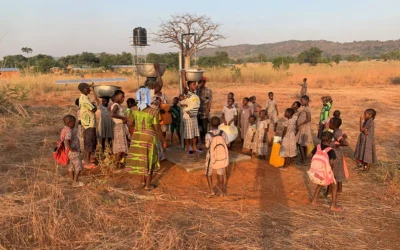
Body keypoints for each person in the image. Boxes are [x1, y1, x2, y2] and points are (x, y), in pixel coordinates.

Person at [126, 87, 167, 190]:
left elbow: (130, 123)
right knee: (149, 160)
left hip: (137, 137)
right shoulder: (154, 112)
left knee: (141, 159)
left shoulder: (133, 110)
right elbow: (157, 129)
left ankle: (141, 182)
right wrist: (163, 140)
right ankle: (148, 185)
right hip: (149, 138)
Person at [311, 131, 343, 212]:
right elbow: (331, 163)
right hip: (327, 171)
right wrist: (331, 171)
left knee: (320, 184)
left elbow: (312, 156)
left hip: (318, 171)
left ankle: (314, 200)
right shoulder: (330, 150)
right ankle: (333, 206)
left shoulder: (317, 147)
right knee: (334, 186)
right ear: (330, 140)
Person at [205, 116, 229, 198]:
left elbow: (207, 145)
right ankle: (221, 192)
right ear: (219, 124)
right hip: (221, 156)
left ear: (210, 124)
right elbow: (227, 143)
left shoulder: (208, 134)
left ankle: (211, 191)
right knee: (221, 174)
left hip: (211, 157)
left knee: (208, 173)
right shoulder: (223, 133)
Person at [326, 117, 349, 195]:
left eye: (330, 123)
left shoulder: (336, 133)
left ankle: (328, 192)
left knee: (331, 172)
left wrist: (335, 145)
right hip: (338, 154)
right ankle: (339, 189)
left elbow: (345, 143)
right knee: (339, 172)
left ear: (333, 125)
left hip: (335, 155)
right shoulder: (337, 131)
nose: (328, 124)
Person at [181, 70, 201, 156]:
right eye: (193, 84)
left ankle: (194, 147)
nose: (195, 86)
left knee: (194, 132)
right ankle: (188, 147)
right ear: (189, 86)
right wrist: (183, 75)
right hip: (188, 116)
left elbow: (201, 83)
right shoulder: (187, 93)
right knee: (188, 133)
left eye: (195, 84)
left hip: (194, 116)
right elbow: (184, 86)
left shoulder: (195, 93)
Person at [61, 115, 84, 187]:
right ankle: (75, 182)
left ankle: (72, 180)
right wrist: (71, 148)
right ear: (69, 123)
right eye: (74, 122)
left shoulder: (64, 129)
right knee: (78, 166)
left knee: (71, 166)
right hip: (73, 152)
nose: (74, 124)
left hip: (67, 152)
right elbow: (67, 140)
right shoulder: (69, 131)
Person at [78, 83, 97, 169]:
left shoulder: (84, 98)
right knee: (89, 143)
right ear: (82, 90)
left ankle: (86, 159)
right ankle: (87, 162)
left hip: (86, 123)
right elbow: (93, 109)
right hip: (89, 124)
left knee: (87, 142)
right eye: (87, 88)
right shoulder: (84, 99)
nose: (89, 89)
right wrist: (94, 106)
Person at [110, 90, 130, 168]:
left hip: (121, 127)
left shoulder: (117, 105)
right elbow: (112, 114)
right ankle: (116, 165)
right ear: (116, 96)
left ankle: (119, 164)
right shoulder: (115, 105)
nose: (123, 98)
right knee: (120, 148)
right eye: (122, 97)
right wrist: (123, 118)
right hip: (120, 127)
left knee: (121, 147)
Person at [296, 95, 312, 165]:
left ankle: (303, 160)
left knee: (301, 145)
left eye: (302, 101)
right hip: (303, 128)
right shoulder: (305, 108)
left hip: (303, 128)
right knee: (303, 144)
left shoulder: (307, 109)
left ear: (307, 101)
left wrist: (300, 124)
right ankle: (304, 159)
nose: (301, 102)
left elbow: (309, 118)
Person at [197, 76, 212, 144]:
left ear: (205, 82)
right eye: (199, 81)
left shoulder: (208, 90)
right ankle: (199, 140)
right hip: (197, 111)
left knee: (204, 126)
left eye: (202, 82)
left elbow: (209, 101)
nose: (201, 83)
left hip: (204, 111)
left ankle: (204, 140)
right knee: (198, 126)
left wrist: (207, 110)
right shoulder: (196, 90)